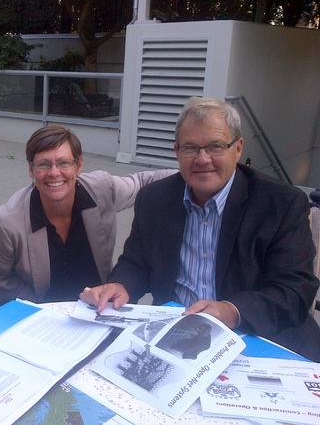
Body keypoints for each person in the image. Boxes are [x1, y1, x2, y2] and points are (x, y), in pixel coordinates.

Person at [81, 97, 320, 361]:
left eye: (215, 146)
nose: (202, 159)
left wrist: (232, 311)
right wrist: (121, 284)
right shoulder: (154, 199)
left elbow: (294, 290)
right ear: (177, 151)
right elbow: (136, 263)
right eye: (190, 148)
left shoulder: (280, 203)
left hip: (256, 337)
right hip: (176, 336)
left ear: (238, 148)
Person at [0, 125, 175, 308]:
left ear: (78, 165)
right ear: (31, 169)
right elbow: (0, 280)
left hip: (97, 308)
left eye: (63, 163)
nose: (54, 173)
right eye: (43, 164)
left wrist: (188, 174)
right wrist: (44, 309)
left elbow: (144, 181)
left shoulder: (101, 189)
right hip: (41, 312)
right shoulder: (8, 222)